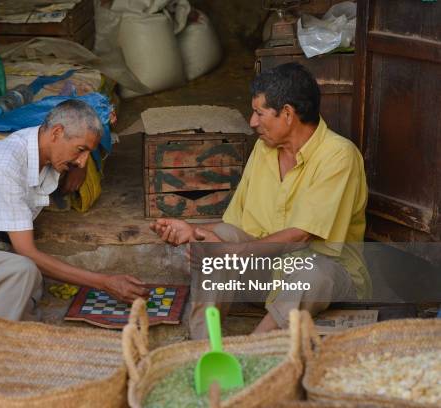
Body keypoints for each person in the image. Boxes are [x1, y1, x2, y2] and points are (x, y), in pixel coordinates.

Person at [150, 62, 370, 338]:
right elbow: (235, 228)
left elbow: (301, 237)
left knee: (313, 272)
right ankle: (203, 346)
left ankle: (254, 346)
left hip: (325, 279)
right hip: (267, 273)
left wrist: (232, 253)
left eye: (258, 113)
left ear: (287, 114)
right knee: (218, 239)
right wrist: (195, 232)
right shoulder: (264, 150)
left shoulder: (339, 156)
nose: (252, 122)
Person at [0, 100, 148, 320]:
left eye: (87, 154)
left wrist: (81, 164)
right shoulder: (6, 161)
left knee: (29, 297)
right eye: (81, 151)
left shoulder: (47, 155)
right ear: (57, 133)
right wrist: (104, 283)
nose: (82, 161)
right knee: (22, 271)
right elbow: (26, 253)